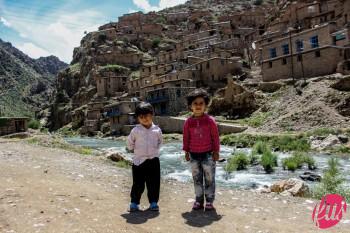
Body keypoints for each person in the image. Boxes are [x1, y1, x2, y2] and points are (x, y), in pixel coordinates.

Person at [183, 89, 220, 211]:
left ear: (205, 105)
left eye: (201, 103)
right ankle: (198, 201)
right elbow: (186, 137)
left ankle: (209, 201)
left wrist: (216, 152)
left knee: (209, 178)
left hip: (208, 155)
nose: (198, 106)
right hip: (193, 155)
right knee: (197, 179)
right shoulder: (188, 122)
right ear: (190, 106)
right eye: (195, 103)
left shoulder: (210, 120)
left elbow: (215, 137)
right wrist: (186, 151)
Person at [127, 102, 162, 212]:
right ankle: (134, 203)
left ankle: (153, 202)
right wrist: (133, 149)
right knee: (138, 184)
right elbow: (130, 143)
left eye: (146, 116)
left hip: (153, 160)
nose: (144, 119)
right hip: (139, 161)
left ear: (152, 115)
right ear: (138, 118)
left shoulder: (157, 130)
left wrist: (155, 151)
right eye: (141, 117)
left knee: (154, 183)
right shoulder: (135, 131)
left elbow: (160, 142)